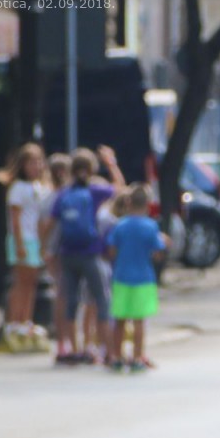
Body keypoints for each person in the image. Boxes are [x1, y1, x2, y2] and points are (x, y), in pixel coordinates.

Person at [50, 146, 123, 365]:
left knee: (71, 303)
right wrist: (111, 164)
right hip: (91, 254)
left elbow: (51, 224)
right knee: (102, 301)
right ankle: (108, 351)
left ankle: (75, 350)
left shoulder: (63, 194)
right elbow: (119, 188)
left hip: (67, 254)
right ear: (92, 169)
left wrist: (47, 250)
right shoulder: (93, 191)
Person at [105, 183, 168, 372]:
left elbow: (111, 250)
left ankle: (117, 357)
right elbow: (158, 253)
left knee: (120, 320)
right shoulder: (151, 226)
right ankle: (137, 357)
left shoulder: (120, 225)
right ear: (147, 204)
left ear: (128, 202)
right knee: (139, 320)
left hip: (121, 276)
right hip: (143, 278)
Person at [0, 142, 51, 354]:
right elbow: (15, 220)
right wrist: (19, 244)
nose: (36, 166)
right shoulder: (18, 188)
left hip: (36, 240)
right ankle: (13, 323)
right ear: (22, 165)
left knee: (32, 283)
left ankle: (26, 321)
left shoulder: (41, 187)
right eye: (31, 162)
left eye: (38, 161)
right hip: (22, 240)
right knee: (20, 281)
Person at [39, 152, 73, 361]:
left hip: (55, 252)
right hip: (75, 250)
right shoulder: (73, 196)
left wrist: (44, 250)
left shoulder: (47, 198)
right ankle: (74, 341)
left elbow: (42, 227)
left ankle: (63, 343)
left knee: (61, 296)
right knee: (71, 297)